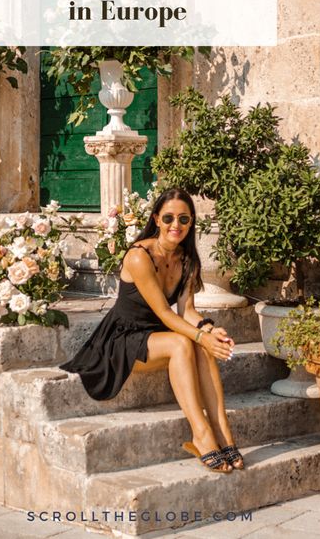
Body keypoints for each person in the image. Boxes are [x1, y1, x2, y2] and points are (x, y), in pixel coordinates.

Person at [60, 187, 244, 473]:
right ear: (157, 219)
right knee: (185, 344)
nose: (176, 226)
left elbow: (187, 312)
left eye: (184, 220)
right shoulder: (139, 256)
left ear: (191, 222)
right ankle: (200, 432)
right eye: (169, 218)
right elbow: (163, 313)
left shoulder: (187, 260)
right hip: (123, 339)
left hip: (157, 335)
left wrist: (209, 329)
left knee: (199, 343)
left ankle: (224, 433)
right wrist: (201, 337)